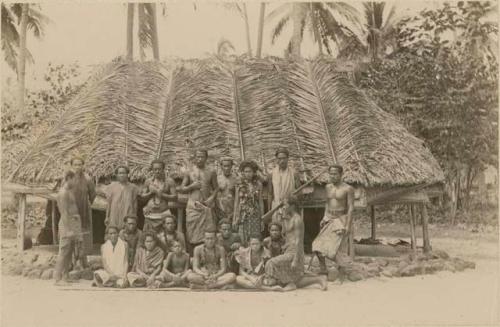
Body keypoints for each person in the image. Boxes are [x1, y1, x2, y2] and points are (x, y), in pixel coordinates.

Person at [263, 196, 327, 291]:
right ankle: (318, 279)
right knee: (295, 280)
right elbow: (264, 219)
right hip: (287, 250)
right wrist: (278, 208)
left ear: (292, 206)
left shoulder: (297, 220)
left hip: (294, 252)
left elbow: (299, 240)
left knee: (270, 263)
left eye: (286, 205)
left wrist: (296, 259)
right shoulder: (287, 218)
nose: (284, 207)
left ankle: (275, 284)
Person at [312, 165, 354, 273]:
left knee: (337, 249)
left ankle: (343, 269)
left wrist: (348, 225)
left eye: (335, 174)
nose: (333, 176)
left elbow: (350, 208)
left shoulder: (348, 189)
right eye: (331, 174)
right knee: (317, 245)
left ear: (341, 175)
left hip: (341, 220)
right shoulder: (328, 187)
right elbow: (327, 202)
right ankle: (323, 269)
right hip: (329, 218)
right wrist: (324, 217)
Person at [177, 149, 218, 252]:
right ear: (195, 158)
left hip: (205, 206)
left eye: (202, 157)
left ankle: (205, 255)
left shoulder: (211, 172)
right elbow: (182, 188)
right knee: (191, 232)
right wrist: (192, 186)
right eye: (198, 157)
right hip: (193, 207)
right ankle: (192, 255)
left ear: (206, 158)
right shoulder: (189, 172)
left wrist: (212, 198)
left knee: (207, 233)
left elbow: (216, 188)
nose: (199, 159)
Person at [54, 170, 83, 286]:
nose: (76, 181)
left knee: (70, 251)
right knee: (63, 252)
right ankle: (57, 279)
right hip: (67, 225)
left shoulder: (69, 191)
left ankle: (65, 276)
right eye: (74, 179)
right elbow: (64, 213)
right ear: (68, 178)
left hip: (73, 223)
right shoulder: (63, 193)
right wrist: (68, 229)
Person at [69, 156, 96, 267]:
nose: (77, 167)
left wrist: (86, 204)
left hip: (84, 211)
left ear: (83, 166)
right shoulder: (67, 178)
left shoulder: (88, 179)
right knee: (71, 236)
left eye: (79, 164)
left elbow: (93, 195)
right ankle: (71, 261)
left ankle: (82, 261)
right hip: (71, 212)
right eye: (75, 164)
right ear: (71, 166)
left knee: (83, 236)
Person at [233, 160, 264, 246]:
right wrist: (235, 218)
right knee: (243, 237)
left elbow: (261, 201)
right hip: (243, 214)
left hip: (255, 214)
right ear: (242, 172)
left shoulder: (258, 184)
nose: (248, 174)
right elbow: (236, 201)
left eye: (250, 171)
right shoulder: (239, 185)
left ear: (254, 172)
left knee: (254, 237)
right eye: (245, 171)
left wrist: (262, 218)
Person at [142, 159, 178, 233]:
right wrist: (151, 193)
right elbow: (142, 197)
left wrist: (159, 193)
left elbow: (175, 197)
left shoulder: (169, 181)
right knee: (149, 238)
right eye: (155, 169)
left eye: (159, 169)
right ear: (152, 170)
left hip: (164, 214)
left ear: (163, 169)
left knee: (164, 238)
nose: (157, 171)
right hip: (150, 214)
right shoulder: (148, 181)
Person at [266, 148, 301, 223]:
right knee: (276, 230)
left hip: (290, 207)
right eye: (279, 158)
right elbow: (270, 193)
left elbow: (299, 192)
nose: (282, 161)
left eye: (284, 158)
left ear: (288, 159)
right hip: (276, 206)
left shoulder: (294, 173)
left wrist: (292, 199)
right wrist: (269, 210)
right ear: (276, 160)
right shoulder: (271, 174)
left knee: (290, 230)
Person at [103, 166, 140, 230]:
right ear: (117, 175)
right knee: (113, 232)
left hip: (127, 213)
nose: (122, 175)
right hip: (114, 214)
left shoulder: (133, 188)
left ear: (127, 174)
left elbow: (135, 204)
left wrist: (134, 217)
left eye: (124, 173)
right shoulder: (112, 187)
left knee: (126, 232)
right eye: (120, 173)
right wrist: (107, 217)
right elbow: (109, 203)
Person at [215, 157, 237, 224]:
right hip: (220, 210)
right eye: (225, 166)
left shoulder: (236, 179)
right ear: (221, 166)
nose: (226, 168)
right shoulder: (217, 179)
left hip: (233, 209)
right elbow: (213, 194)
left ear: (231, 166)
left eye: (228, 166)